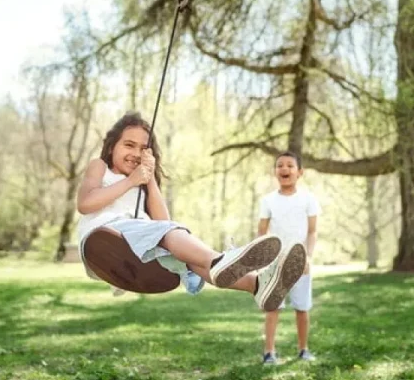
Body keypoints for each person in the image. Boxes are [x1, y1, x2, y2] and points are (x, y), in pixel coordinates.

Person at [76, 112, 306, 309]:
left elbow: (162, 222)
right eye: (128, 145)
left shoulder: (142, 182)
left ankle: (257, 284)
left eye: (143, 149)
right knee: (174, 237)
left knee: (189, 259)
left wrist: (149, 179)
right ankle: (221, 259)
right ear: (112, 145)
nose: (135, 153)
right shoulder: (101, 167)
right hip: (103, 239)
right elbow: (85, 203)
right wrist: (130, 181)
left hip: (136, 251)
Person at [257, 150, 320, 363]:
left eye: (290, 165)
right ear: (275, 172)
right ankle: (269, 353)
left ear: (300, 172)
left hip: (300, 263)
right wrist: (263, 260)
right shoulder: (268, 201)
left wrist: (308, 257)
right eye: (280, 165)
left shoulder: (308, 199)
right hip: (276, 262)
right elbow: (262, 233)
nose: (285, 169)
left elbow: (312, 232)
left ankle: (303, 350)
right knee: (273, 307)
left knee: (302, 308)